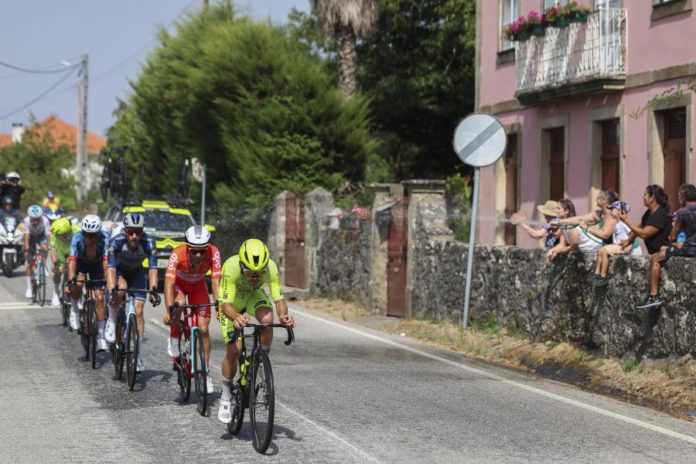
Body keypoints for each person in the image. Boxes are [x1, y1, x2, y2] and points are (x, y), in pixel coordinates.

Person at [216, 238, 295, 424]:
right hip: (233, 302)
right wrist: (236, 317)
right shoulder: (231, 267)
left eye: (259, 273)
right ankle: (226, 393)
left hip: (253, 296)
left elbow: (278, 298)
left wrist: (284, 316)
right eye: (250, 272)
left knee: (267, 320)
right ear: (241, 265)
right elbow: (225, 305)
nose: (255, 277)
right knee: (234, 350)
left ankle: (259, 361)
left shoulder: (271, 268)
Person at [163, 225, 221, 394]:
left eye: (202, 251)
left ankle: (206, 374)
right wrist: (170, 311)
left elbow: (215, 281)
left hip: (198, 287)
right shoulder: (177, 254)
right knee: (180, 304)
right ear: (187, 247)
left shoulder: (214, 252)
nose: (198, 255)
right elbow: (168, 285)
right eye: (194, 251)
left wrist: (218, 305)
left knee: (203, 329)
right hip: (179, 286)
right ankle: (174, 336)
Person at [106, 212, 160, 372]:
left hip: (137, 273)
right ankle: (111, 319)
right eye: (131, 232)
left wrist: (154, 289)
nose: (134, 236)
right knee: (121, 288)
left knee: (139, 311)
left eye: (138, 232)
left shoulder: (149, 242)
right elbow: (110, 269)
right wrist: (112, 291)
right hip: (120, 272)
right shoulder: (116, 241)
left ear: (142, 231)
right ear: (125, 231)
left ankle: (138, 355)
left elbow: (153, 268)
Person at [631, 184, 695, 309]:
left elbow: (672, 237)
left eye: (679, 196)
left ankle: (654, 296)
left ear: (684, 197)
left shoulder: (682, 212)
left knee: (657, 258)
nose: (678, 199)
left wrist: (675, 241)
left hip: (690, 249)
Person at [614, 185, 672, 309]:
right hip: (653, 251)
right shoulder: (649, 213)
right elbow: (639, 227)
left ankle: (654, 296)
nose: (643, 197)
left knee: (655, 260)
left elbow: (644, 233)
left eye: (645, 194)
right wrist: (628, 241)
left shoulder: (661, 214)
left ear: (652, 197)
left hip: (663, 250)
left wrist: (626, 220)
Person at [66, 215, 110, 351]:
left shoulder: (105, 238)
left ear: (98, 233)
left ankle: (101, 336)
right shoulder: (77, 238)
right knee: (78, 284)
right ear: (83, 232)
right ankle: (74, 308)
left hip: (98, 266)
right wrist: (70, 281)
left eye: (93, 235)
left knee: (100, 298)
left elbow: (106, 262)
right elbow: (72, 262)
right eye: (87, 234)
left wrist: (108, 280)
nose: (90, 238)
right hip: (82, 265)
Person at [590, 200, 642, 287]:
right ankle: (596, 273)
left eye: (612, 209)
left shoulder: (623, 223)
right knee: (600, 250)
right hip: (617, 246)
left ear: (618, 211)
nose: (610, 211)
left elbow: (632, 233)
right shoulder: (617, 223)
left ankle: (603, 276)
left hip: (622, 246)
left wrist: (630, 244)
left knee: (604, 251)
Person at [22, 205, 51, 299]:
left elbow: (48, 235)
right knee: (29, 263)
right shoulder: (26, 220)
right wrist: (27, 247)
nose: (35, 221)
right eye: (33, 219)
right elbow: (26, 236)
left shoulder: (45, 220)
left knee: (45, 248)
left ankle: (43, 264)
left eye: (37, 219)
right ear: (30, 217)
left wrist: (48, 246)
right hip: (30, 238)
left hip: (41, 236)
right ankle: (29, 288)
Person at [49, 217, 78, 307]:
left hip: (74, 249)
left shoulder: (77, 231)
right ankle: (56, 290)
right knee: (58, 270)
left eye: (60, 235)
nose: (58, 237)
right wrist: (55, 263)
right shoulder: (54, 235)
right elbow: (53, 250)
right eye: (58, 236)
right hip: (61, 250)